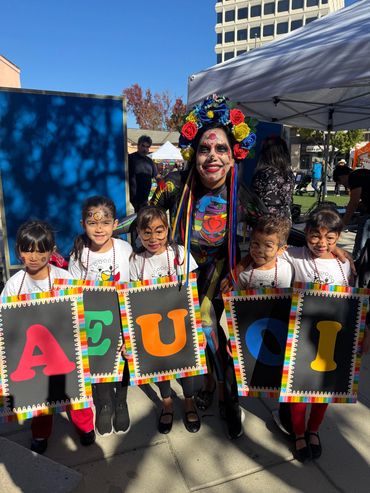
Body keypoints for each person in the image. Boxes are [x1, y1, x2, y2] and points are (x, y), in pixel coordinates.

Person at [151, 94, 258, 439]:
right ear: (193, 155)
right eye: (204, 149)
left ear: (234, 154)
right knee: (198, 337)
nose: (213, 156)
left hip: (224, 277)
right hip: (186, 276)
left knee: (217, 336)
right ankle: (212, 385)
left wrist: (328, 252)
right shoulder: (175, 187)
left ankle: (228, 396)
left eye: (221, 149)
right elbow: (143, 220)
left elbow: (275, 230)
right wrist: (98, 239)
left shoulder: (242, 194)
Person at [1, 220, 95, 454]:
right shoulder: (14, 285)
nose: (33, 256)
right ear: (19, 251)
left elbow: (83, 309)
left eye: (40, 250)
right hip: (32, 355)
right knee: (39, 398)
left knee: (77, 393)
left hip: (65, 349)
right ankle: (40, 433)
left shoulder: (66, 278)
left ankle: (85, 427)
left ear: (51, 250)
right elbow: (5, 321)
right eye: (27, 250)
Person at [282, 207, 351, 462]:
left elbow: (352, 302)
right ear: (306, 234)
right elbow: (270, 248)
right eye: (315, 236)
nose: (321, 243)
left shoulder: (344, 264)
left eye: (330, 239)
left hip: (332, 339)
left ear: (338, 237)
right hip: (302, 336)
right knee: (299, 388)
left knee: (324, 390)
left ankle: (313, 430)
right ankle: (299, 433)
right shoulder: (294, 255)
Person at [129, 205, 200, 433]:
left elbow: (193, 292)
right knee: (160, 366)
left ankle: (189, 400)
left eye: (159, 231)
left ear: (167, 230)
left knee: (186, 364)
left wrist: (197, 328)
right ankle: (167, 402)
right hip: (151, 324)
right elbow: (130, 299)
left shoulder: (180, 254)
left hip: (180, 321)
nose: (153, 238)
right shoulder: (136, 261)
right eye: (146, 232)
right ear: (139, 232)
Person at [68, 196, 132, 436]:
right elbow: (73, 292)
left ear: (115, 224)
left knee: (124, 360)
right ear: (83, 223)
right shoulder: (78, 255)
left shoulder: (125, 249)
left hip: (120, 317)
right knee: (99, 363)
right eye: (93, 223)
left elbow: (135, 282)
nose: (99, 229)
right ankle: (104, 403)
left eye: (105, 223)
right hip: (93, 321)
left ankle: (121, 400)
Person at [236, 215, 293, 290]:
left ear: (281, 249)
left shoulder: (287, 267)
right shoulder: (243, 274)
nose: (260, 250)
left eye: (268, 246)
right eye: (255, 244)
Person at [251, 136, 295, 220]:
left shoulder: (264, 173)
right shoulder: (289, 174)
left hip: (267, 221)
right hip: (285, 220)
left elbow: (254, 198)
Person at [333, 165, 370, 260]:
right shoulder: (362, 174)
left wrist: (343, 224)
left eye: (341, 183)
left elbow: (353, 203)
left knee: (363, 232)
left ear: (341, 176)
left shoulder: (354, 177)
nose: (345, 186)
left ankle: (357, 261)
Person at [128, 135, 159, 213]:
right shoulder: (130, 158)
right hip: (132, 200)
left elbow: (157, 176)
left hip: (145, 200)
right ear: (138, 145)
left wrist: (165, 184)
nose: (145, 149)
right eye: (143, 146)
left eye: (147, 147)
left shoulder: (150, 161)